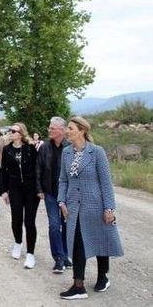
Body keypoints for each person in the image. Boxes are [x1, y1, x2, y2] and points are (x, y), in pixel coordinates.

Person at [57, 117, 124, 300]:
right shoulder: (66, 153)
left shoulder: (97, 152)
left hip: (95, 205)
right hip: (73, 207)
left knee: (100, 240)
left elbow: (106, 182)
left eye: (70, 128)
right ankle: (78, 286)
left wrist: (109, 208)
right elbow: (63, 180)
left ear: (82, 131)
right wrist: (61, 201)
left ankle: (103, 277)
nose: (67, 131)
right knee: (77, 244)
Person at [0, 122, 39, 269]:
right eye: (10, 130)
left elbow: (38, 169)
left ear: (21, 133)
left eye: (13, 131)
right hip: (14, 188)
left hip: (31, 189)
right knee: (16, 218)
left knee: (29, 221)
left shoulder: (30, 148)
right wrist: (4, 191)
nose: (10, 132)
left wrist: (39, 189)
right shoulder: (7, 149)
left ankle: (30, 254)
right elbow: (4, 171)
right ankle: (18, 243)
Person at [36, 117, 72, 273]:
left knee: (67, 225)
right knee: (54, 225)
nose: (49, 130)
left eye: (52, 128)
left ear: (62, 130)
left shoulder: (70, 147)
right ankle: (58, 258)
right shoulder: (44, 147)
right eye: (49, 128)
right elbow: (38, 169)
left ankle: (65, 255)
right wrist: (39, 189)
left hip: (68, 194)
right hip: (50, 192)